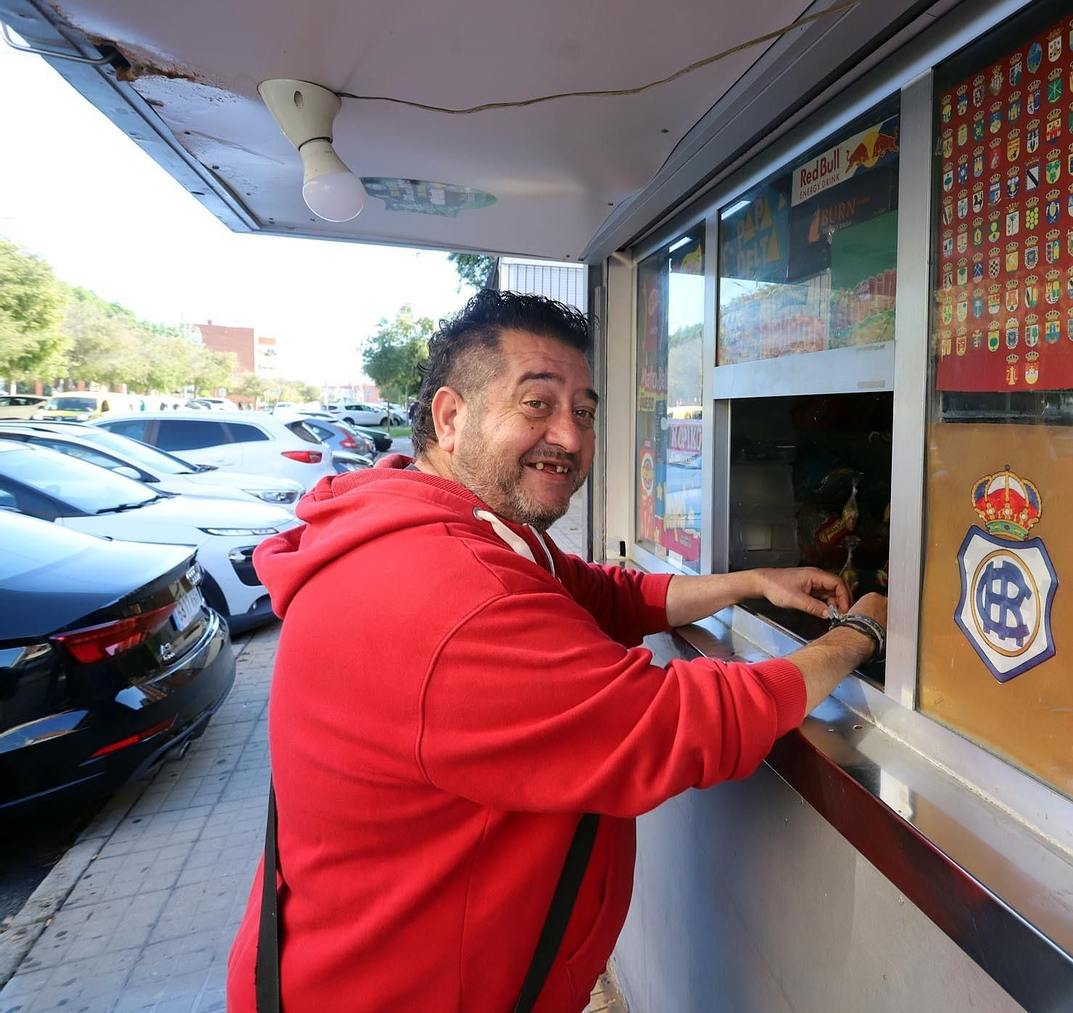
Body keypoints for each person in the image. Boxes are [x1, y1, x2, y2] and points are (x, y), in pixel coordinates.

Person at [225, 289, 886, 1013]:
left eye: (585, 411)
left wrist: (750, 581)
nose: (570, 437)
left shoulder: (460, 524)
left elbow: (600, 593)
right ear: (451, 417)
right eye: (536, 404)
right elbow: (674, 724)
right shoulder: (449, 594)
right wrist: (860, 637)